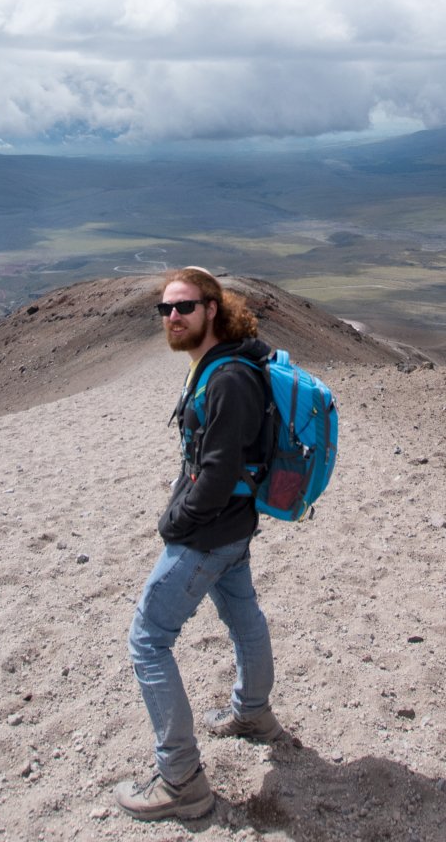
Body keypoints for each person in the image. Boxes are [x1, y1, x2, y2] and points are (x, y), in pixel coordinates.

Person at [114, 267, 286, 821]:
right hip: (234, 531)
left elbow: (215, 475)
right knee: (243, 617)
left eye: (183, 306)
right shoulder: (218, 365)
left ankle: (181, 781)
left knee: (148, 640)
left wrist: (175, 525)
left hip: (209, 534)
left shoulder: (230, 378)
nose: (172, 317)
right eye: (164, 309)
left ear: (212, 308)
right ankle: (254, 714)